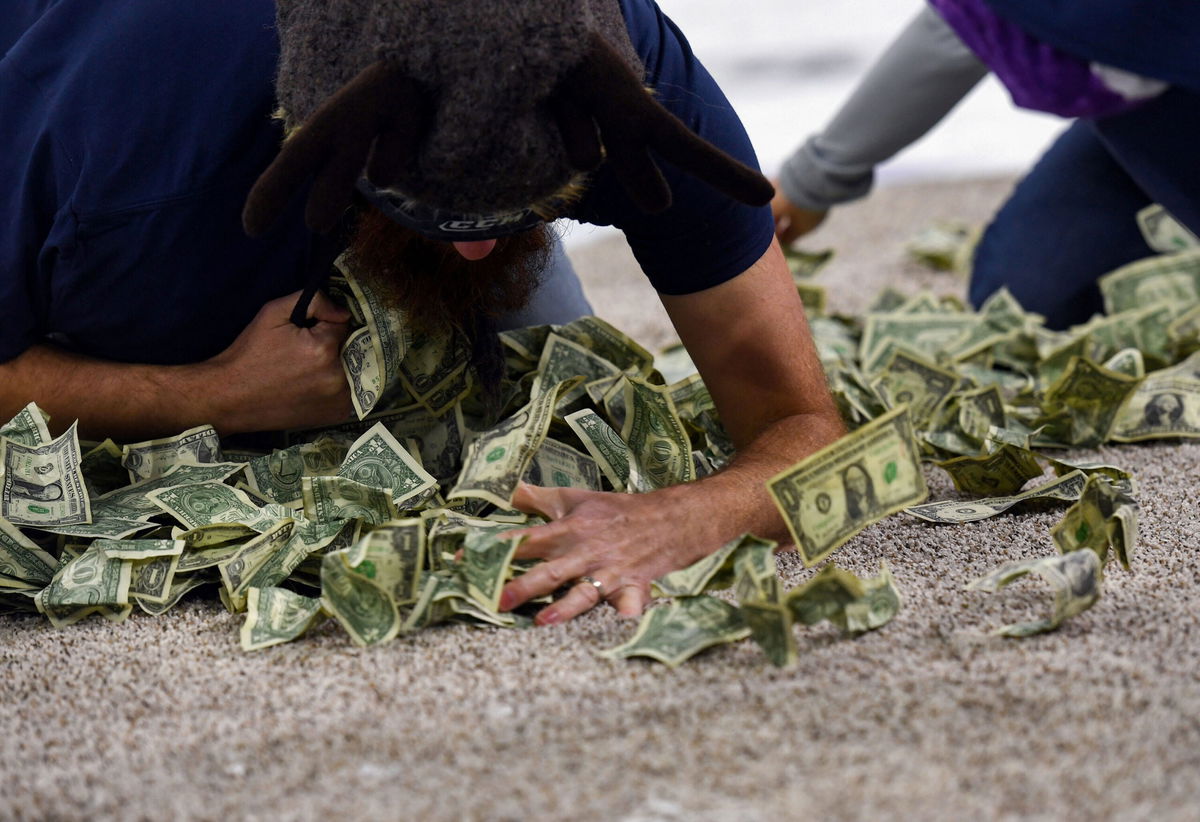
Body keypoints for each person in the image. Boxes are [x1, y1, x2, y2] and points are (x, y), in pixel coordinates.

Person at [0, 0, 844, 624]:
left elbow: (813, 434)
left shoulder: (627, 86)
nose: (476, 253)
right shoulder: (115, 150)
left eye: (523, 210)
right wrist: (215, 396)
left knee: (556, 416)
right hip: (153, 170)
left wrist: (687, 516)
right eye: (430, 213)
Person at [771, 1, 1200, 330]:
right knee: (1022, 302)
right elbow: (968, 20)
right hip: (1146, 92)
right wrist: (809, 183)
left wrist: (812, 180)